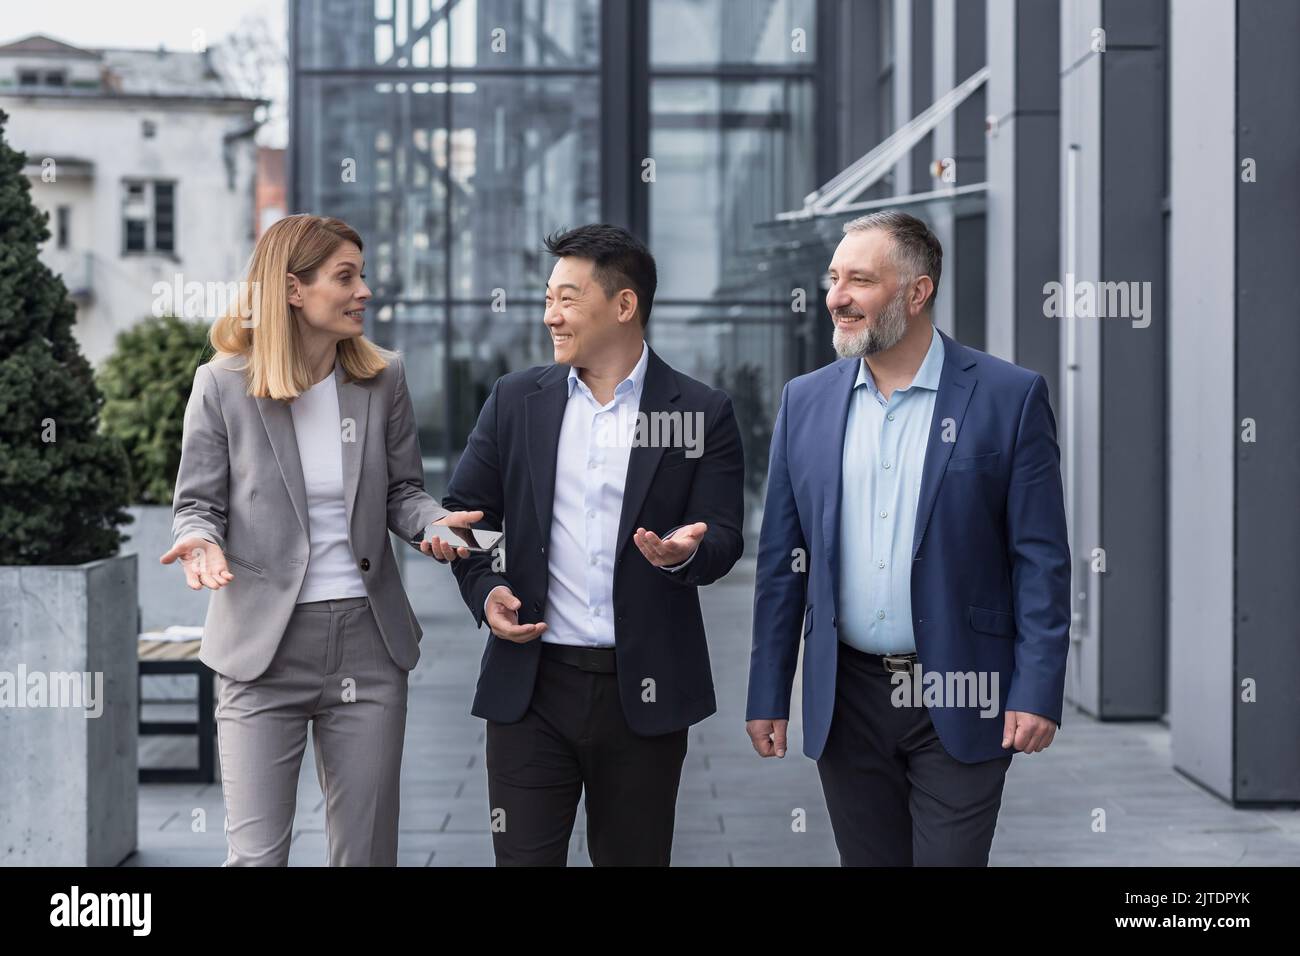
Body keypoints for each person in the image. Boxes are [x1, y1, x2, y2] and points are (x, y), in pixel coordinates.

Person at [746, 210, 1070, 866]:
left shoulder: (1009, 397)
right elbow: (783, 563)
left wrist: (1037, 688)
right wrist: (768, 691)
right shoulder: (803, 403)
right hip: (848, 697)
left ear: (916, 293)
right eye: (834, 277)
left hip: (961, 687)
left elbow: (1039, 559)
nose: (836, 295)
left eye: (860, 279)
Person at [162, 214, 480, 866]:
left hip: (369, 646)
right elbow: (197, 504)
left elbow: (403, 492)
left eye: (360, 274)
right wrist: (200, 541)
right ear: (292, 289)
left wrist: (434, 524)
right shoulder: (222, 385)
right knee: (256, 857)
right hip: (261, 652)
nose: (364, 290)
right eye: (346, 276)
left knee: (364, 855)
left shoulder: (381, 377)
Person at [430, 224, 745, 865]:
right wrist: (486, 587)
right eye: (548, 298)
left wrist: (686, 552)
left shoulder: (700, 412)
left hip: (645, 693)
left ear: (623, 306)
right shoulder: (517, 401)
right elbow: (469, 521)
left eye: (567, 299)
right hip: (532, 687)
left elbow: (726, 536)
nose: (551, 315)